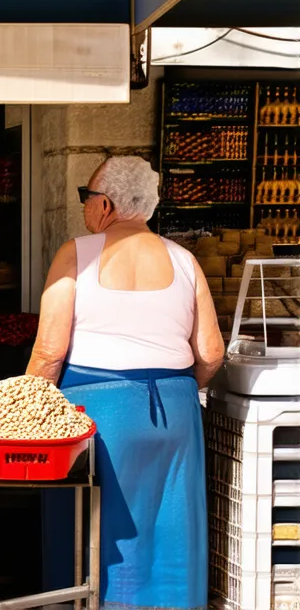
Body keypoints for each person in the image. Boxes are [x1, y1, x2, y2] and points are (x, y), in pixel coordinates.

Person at [27, 156, 223, 609]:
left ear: (108, 204)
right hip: (174, 413)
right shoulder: (185, 260)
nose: (83, 208)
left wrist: (21, 408)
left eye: (86, 197)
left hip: (98, 414)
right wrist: (178, 390)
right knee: (170, 530)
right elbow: (212, 353)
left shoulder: (77, 254)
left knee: (96, 532)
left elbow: (49, 352)